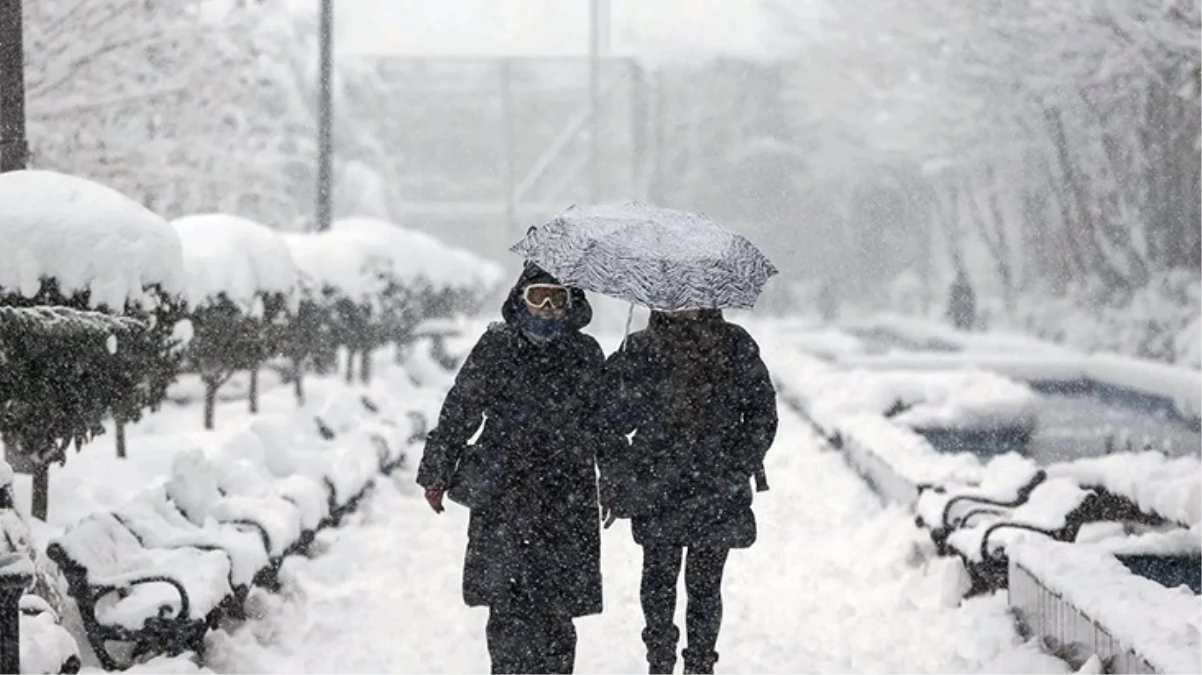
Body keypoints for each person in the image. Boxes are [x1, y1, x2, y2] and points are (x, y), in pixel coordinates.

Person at [416, 262, 611, 675]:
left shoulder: (586, 354)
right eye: (537, 295)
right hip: (504, 493)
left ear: (571, 304)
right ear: (519, 298)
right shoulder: (496, 346)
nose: (545, 307)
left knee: (557, 613)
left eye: (556, 298)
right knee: (506, 608)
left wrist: (616, 482)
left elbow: (606, 427)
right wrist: (436, 470)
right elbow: (460, 410)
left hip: (567, 496)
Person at [599, 309, 778, 675]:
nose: (683, 305)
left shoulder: (735, 344)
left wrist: (737, 462)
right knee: (658, 579)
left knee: (705, 585)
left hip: (716, 487)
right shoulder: (640, 348)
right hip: (657, 486)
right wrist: (619, 477)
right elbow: (612, 422)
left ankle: (700, 662)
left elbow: (762, 412)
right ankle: (660, 660)